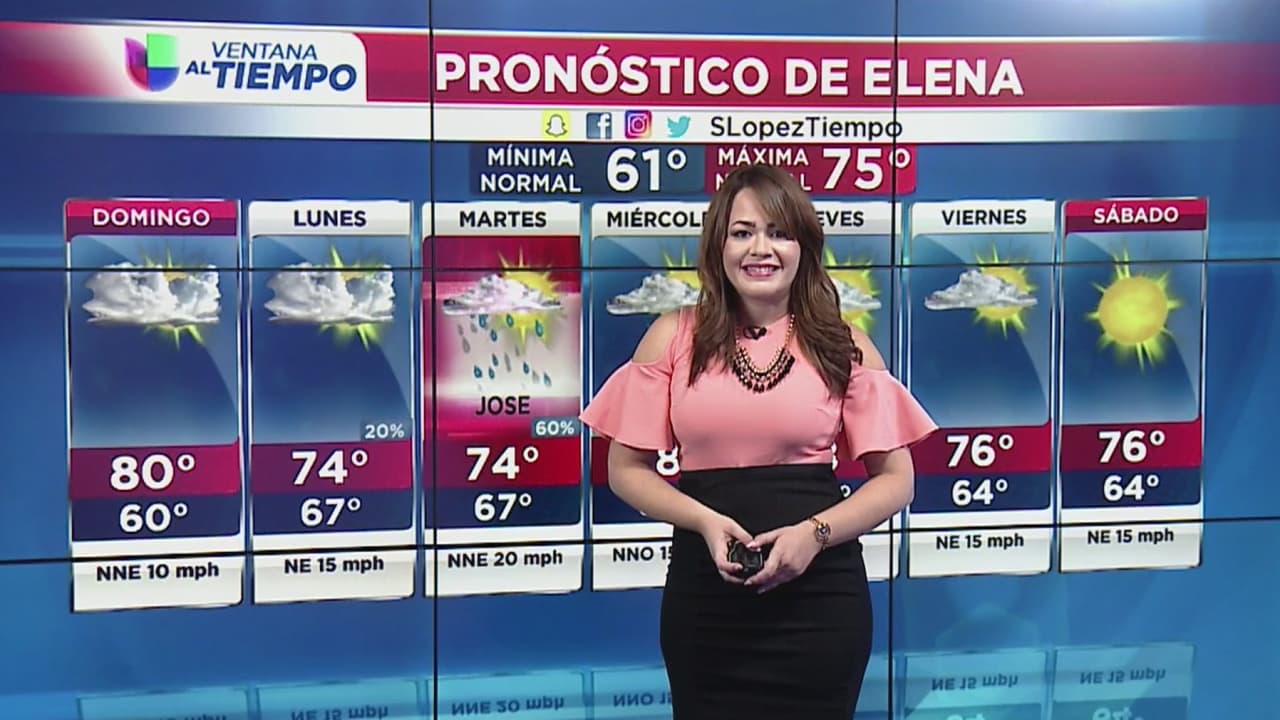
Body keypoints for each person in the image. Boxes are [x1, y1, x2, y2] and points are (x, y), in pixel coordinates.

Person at [579, 163, 937, 719]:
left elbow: (896, 481)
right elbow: (625, 470)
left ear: (802, 247)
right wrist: (704, 521)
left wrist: (814, 535)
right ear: (718, 246)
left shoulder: (843, 345)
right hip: (707, 602)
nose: (760, 249)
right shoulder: (672, 336)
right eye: (742, 232)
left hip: (820, 605)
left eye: (778, 233)